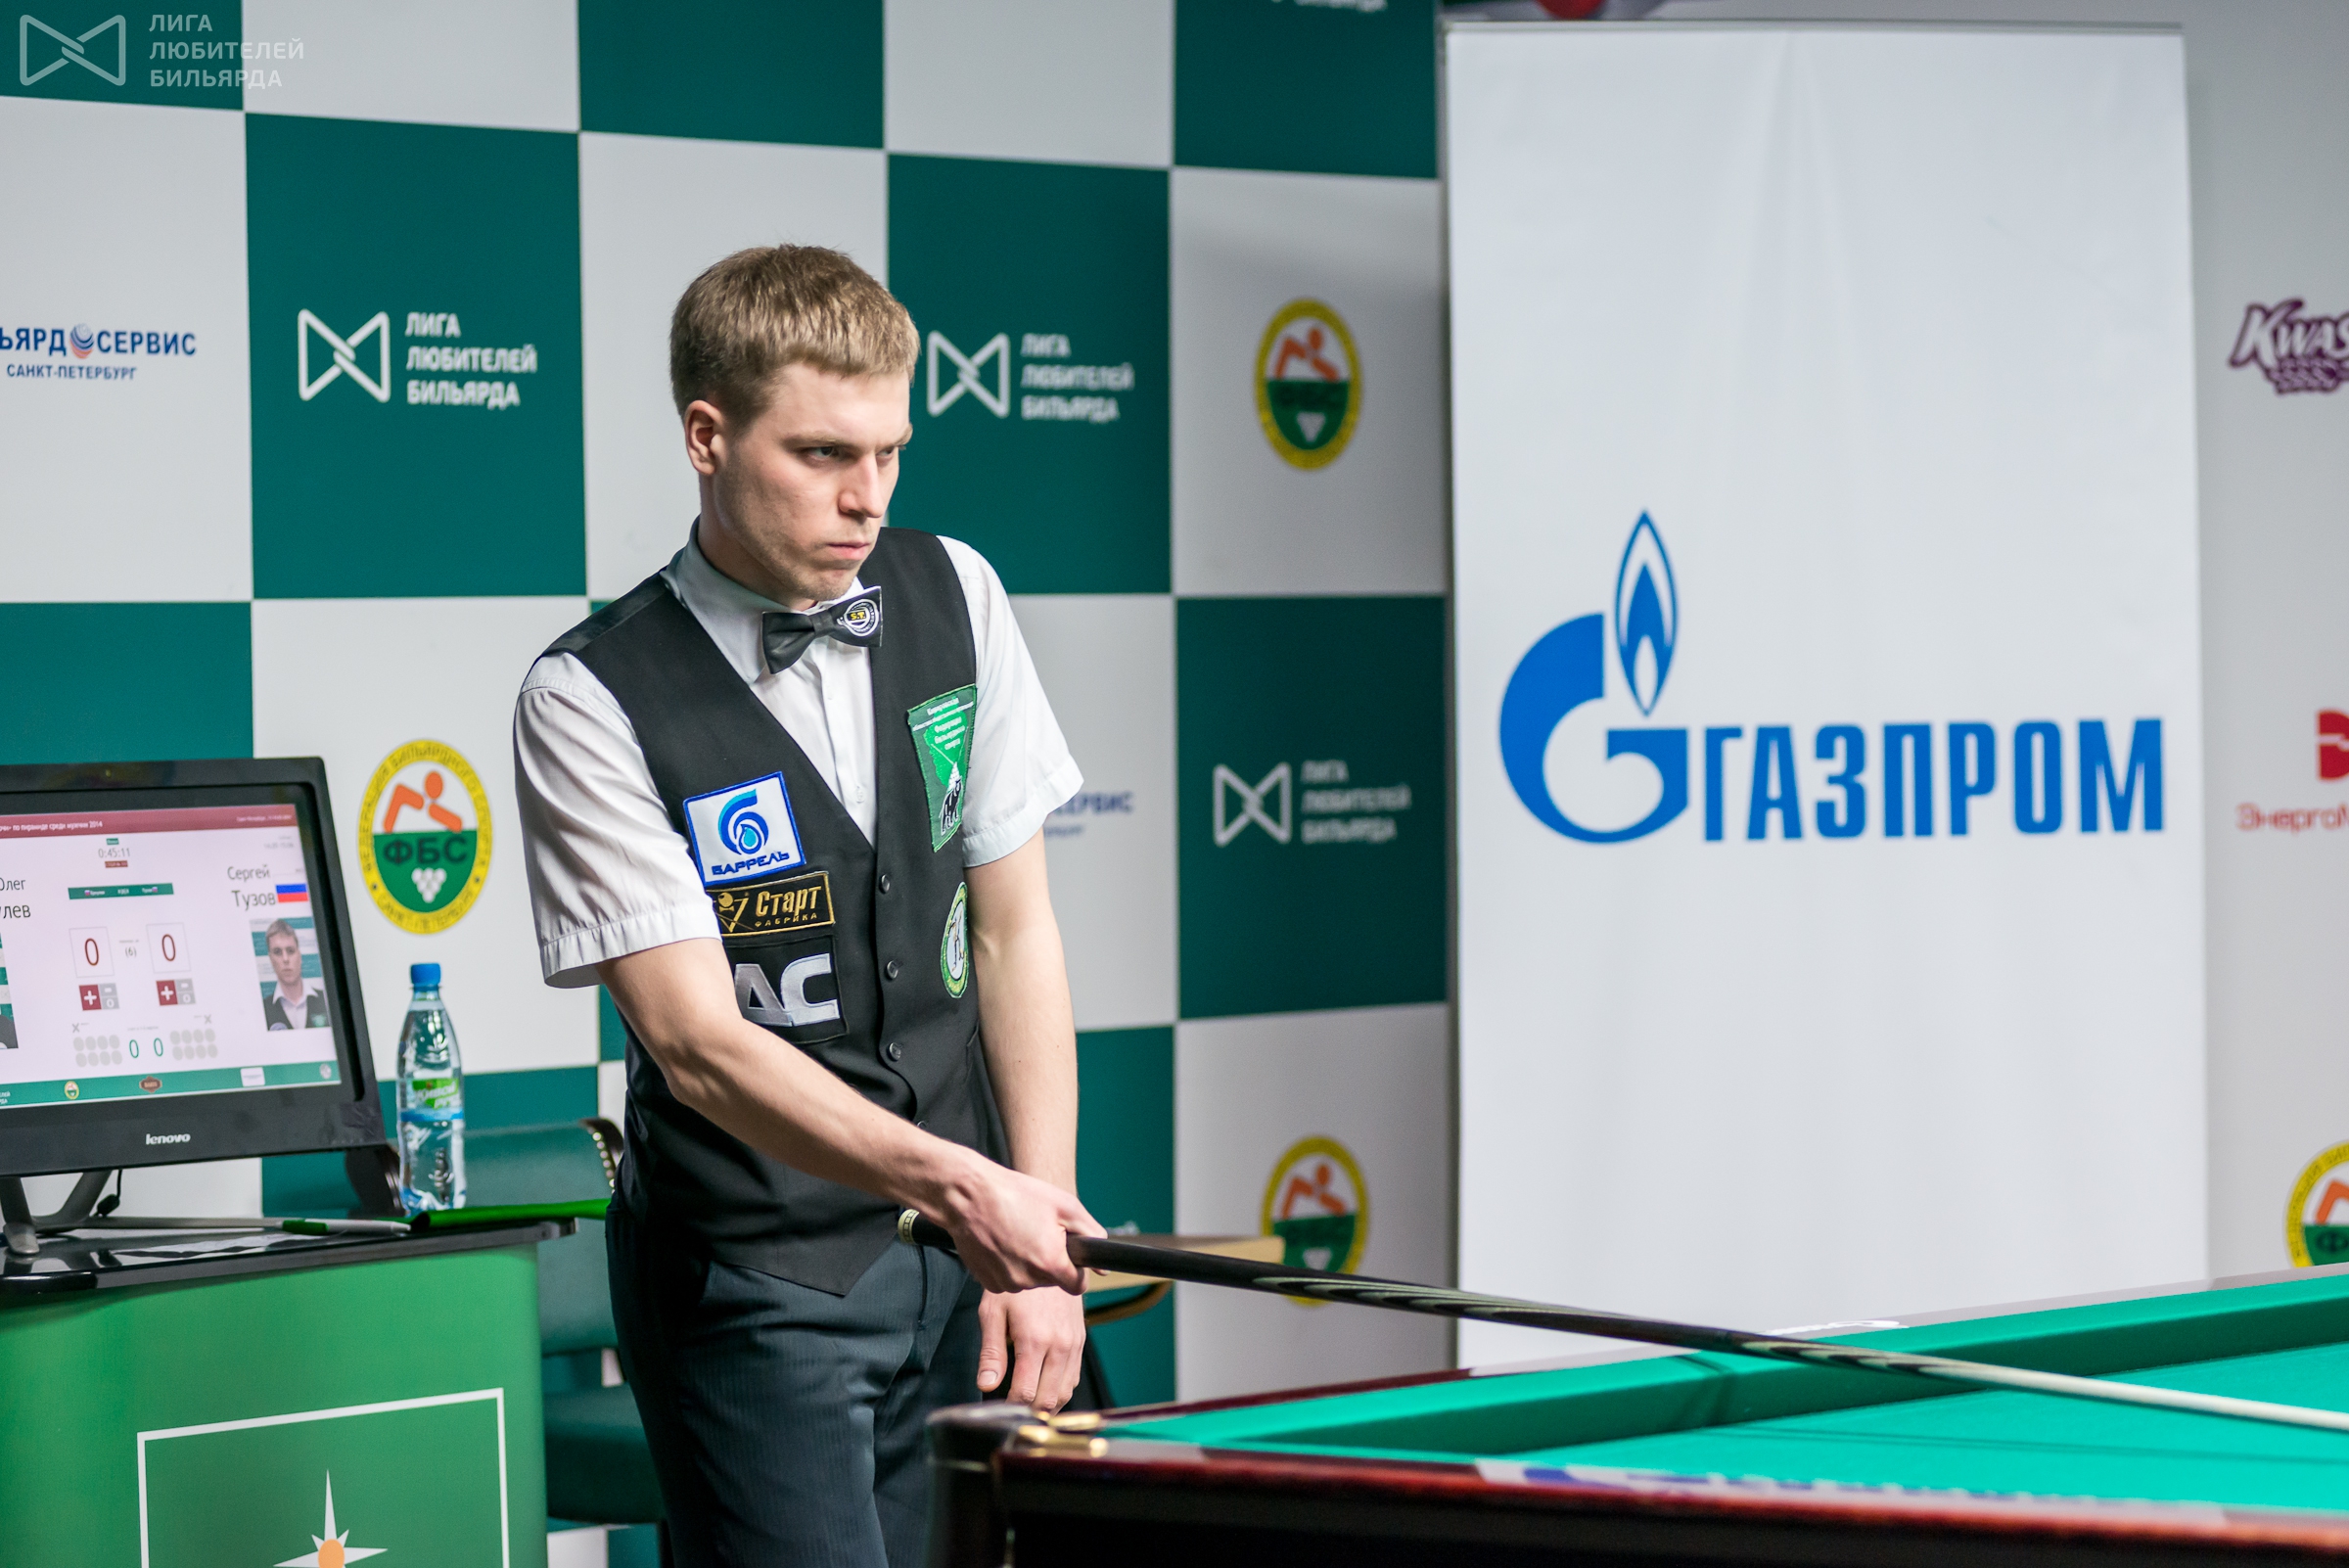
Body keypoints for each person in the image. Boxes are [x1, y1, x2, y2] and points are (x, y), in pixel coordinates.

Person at [512, 245, 1099, 1568]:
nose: (867, 497)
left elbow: (1013, 932)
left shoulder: (959, 591)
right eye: (824, 453)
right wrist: (971, 1187)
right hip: (755, 1285)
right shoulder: (588, 695)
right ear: (706, 437)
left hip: (969, 1267)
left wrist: (1039, 1221)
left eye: (890, 453)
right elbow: (699, 1049)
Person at [259, 919, 326, 1030]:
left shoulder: (325, 1000)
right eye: (277, 952)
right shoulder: (263, 1009)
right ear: (271, 959)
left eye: (290, 951)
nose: (285, 959)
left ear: (299, 955)